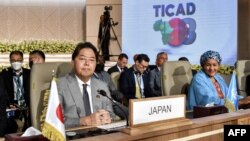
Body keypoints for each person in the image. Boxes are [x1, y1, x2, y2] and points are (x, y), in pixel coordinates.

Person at [57, 42, 114, 128]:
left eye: (91, 60)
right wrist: (83, 121)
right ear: (72, 62)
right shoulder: (59, 85)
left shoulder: (102, 86)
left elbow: (111, 114)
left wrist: (108, 118)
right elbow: (54, 121)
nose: (87, 63)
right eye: (82, 59)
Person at [0, 51, 31, 132]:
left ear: (22, 60)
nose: (16, 62)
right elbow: (3, 93)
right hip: (12, 107)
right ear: (10, 61)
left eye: (18, 60)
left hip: (26, 106)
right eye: (13, 60)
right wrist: (9, 104)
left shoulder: (29, 73)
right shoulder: (4, 74)